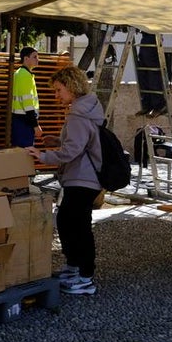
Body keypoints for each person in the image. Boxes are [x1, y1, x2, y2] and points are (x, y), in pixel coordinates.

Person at [25, 66, 104, 296]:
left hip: (83, 178)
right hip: (84, 177)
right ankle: (74, 267)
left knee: (77, 226)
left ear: (71, 87)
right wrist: (53, 139)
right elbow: (77, 141)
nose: (56, 95)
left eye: (58, 90)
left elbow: (71, 151)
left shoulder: (79, 114)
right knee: (68, 221)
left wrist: (42, 156)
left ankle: (86, 278)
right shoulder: (86, 108)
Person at [11, 46, 43, 147]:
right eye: (34, 57)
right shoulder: (24, 75)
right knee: (25, 154)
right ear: (26, 58)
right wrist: (35, 125)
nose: (38, 59)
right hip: (24, 122)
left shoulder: (20, 73)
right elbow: (28, 104)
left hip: (20, 120)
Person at [135, 32, 167, 117]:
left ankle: (159, 106)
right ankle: (148, 105)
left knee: (152, 71)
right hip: (146, 34)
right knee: (143, 71)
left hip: (153, 34)